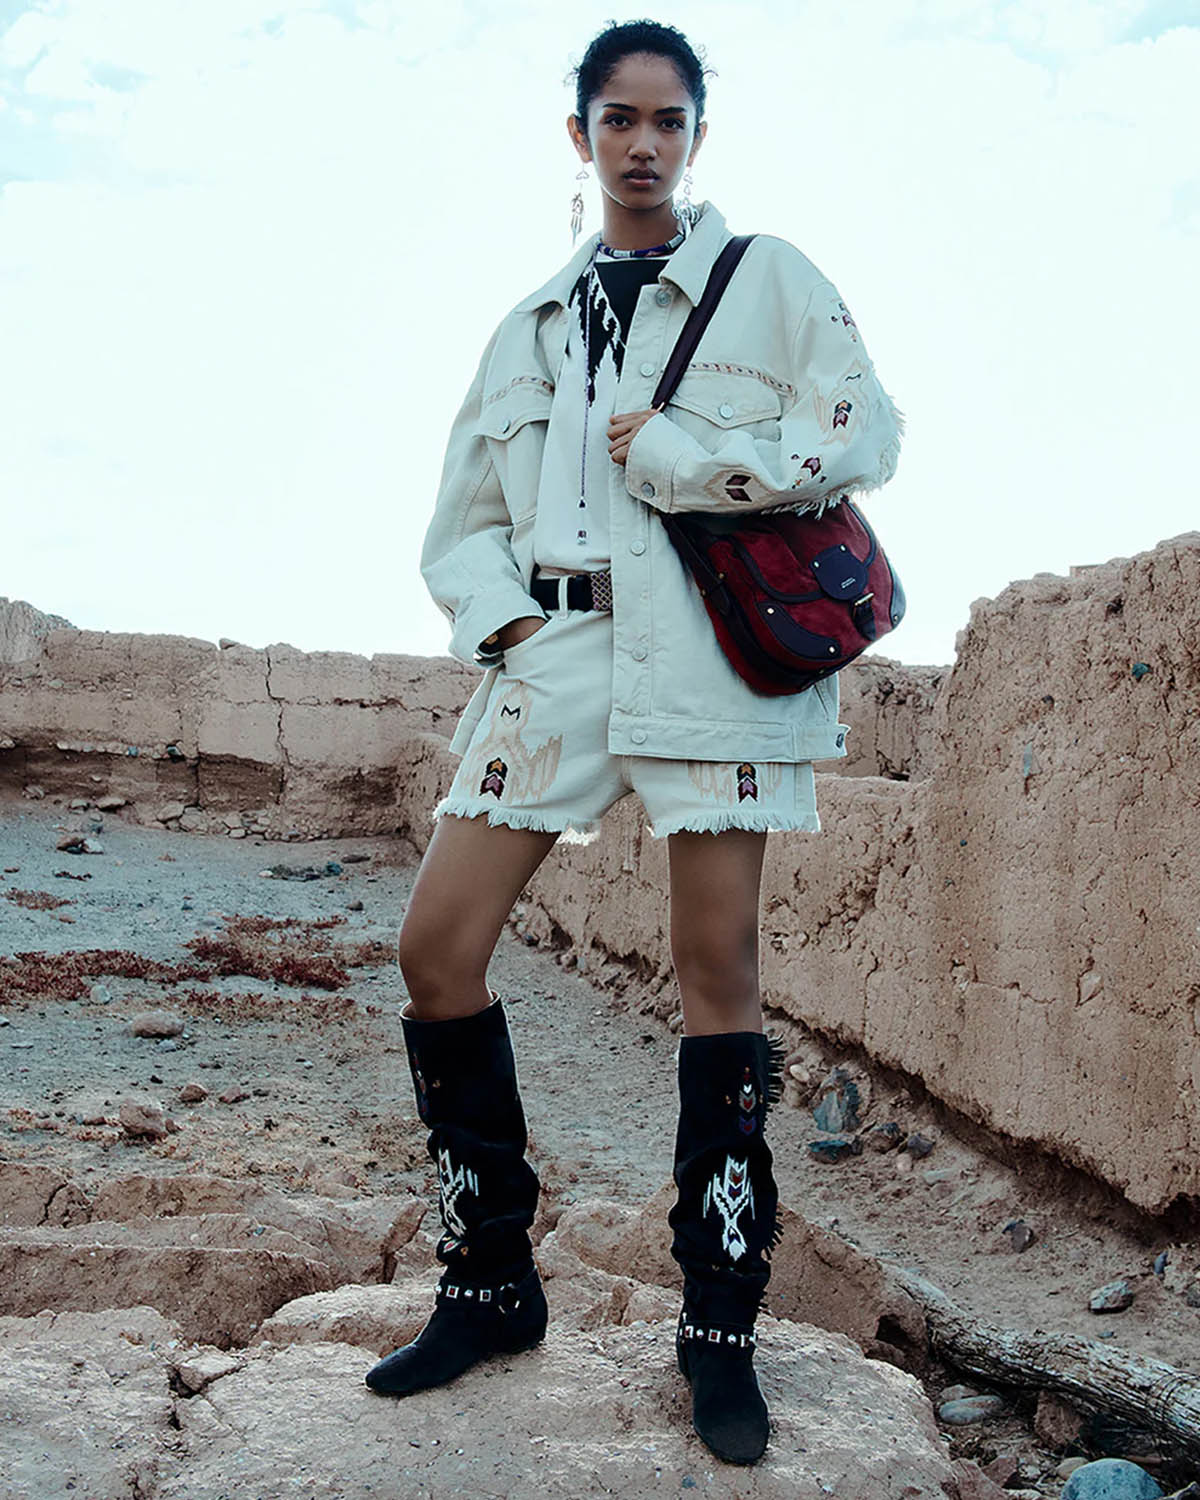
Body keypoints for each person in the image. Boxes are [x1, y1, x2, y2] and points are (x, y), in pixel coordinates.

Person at [364, 18, 904, 1468]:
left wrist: (676, 456)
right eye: (619, 119)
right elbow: (462, 521)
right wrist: (513, 635)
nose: (644, 144)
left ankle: (717, 1331)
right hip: (561, 651)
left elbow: (860, 433)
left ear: (698, 137)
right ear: (582, 136)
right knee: (437, 948)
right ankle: (488, 1285)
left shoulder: (768, 282)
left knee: (717, 970)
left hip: (717, 661)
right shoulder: (531, 323)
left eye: (669, 121)